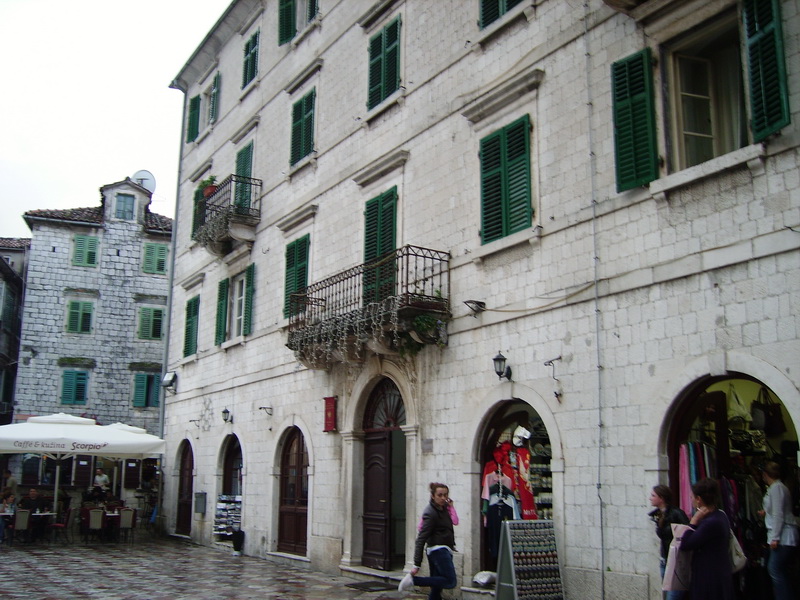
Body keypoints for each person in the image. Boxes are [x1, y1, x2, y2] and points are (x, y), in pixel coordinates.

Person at [398, 482, 457, 599]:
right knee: (450, 581)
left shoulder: (444, 509)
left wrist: (451, 507)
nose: (443, 498)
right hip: (439, 551)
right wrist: (416, 564)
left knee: (436, 589)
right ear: (433, 496)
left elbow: (455, 521)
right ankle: (414, 581)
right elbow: (421, 539)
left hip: (444, 549)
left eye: (445, 495)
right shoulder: (430, 513)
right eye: (440, 495)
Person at [679, 477, 733, 600]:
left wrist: (693, 521)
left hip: (709, 577)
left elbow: (686, 544)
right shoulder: (720, 515)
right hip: (718, 573)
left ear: (699, 499)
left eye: (692, 497)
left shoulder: (710, 522)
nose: (691, 500)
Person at [758, 461, 799, 600]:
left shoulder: (776, 489)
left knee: (774, 568)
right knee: (778, 569)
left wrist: (775, 538)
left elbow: (778, 514)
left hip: (783, 536)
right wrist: (766, 512)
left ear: (765, 474)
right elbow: (777, 510)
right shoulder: (778, 488)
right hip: (783, 535)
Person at [648, 484, 689, 600]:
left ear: (661, 498)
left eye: (653, 495)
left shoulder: (676, 513)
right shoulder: (658, 514)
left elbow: (687, 533)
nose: (650, 498)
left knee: (673, 596)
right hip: (665, 559)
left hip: (677, 561)